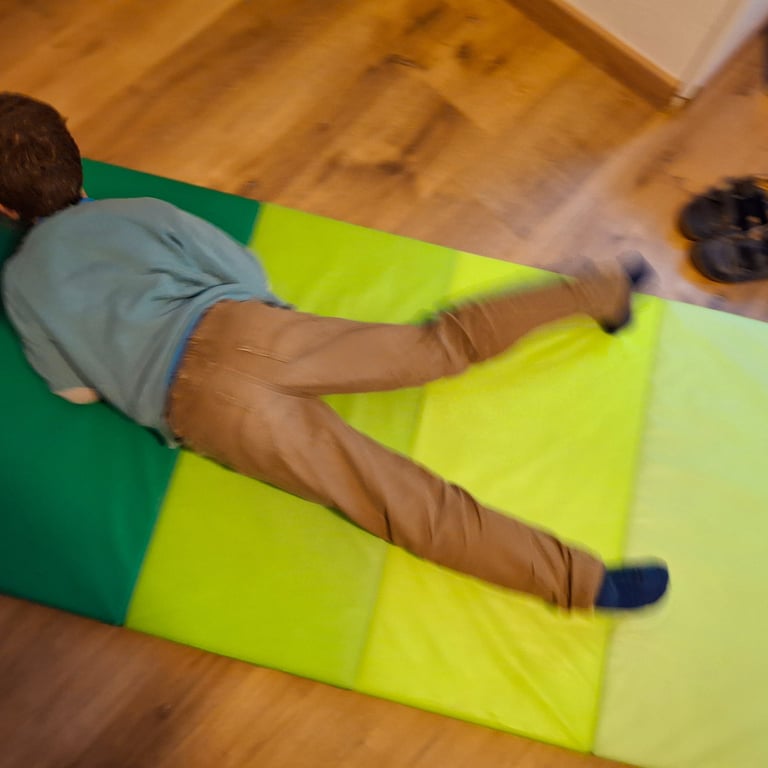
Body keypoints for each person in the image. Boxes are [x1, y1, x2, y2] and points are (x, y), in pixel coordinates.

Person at [0, 92, 668, 612]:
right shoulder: (141, 211)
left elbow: (76, 392)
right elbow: (246, 268)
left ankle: (584, 583)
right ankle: (602, 288)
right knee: (440, 343)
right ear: (76, 160)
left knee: (398, 498)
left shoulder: (21, 282)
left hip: (203, 407)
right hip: (250, 331)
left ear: (5, 209)